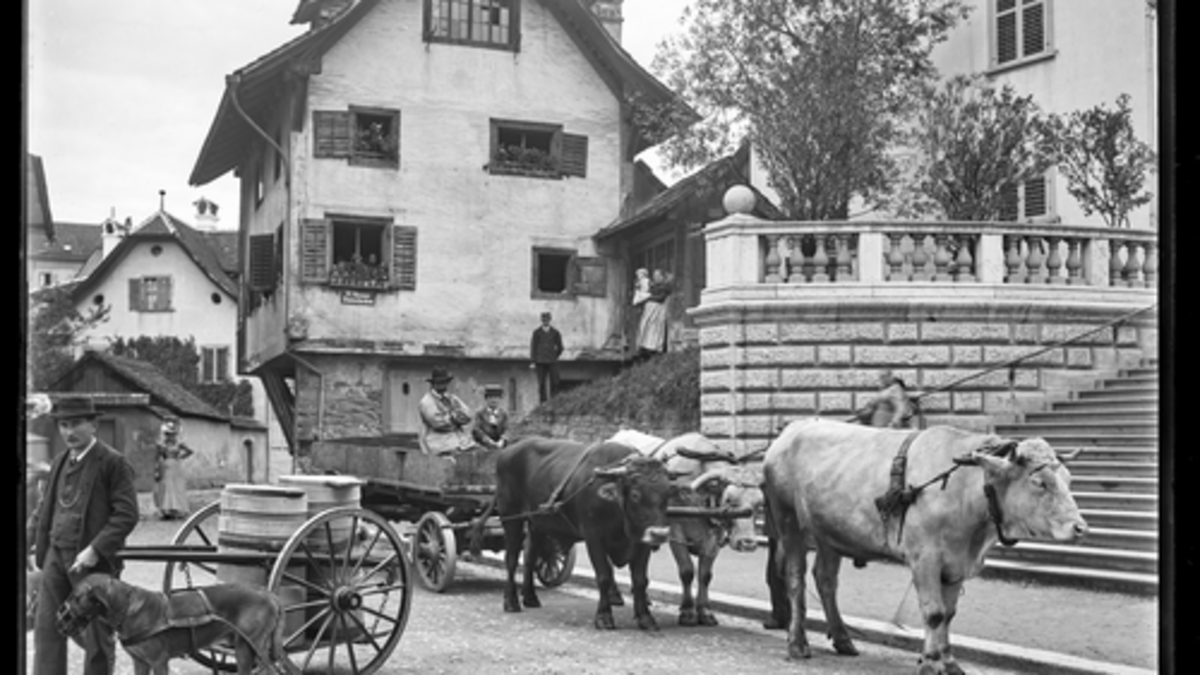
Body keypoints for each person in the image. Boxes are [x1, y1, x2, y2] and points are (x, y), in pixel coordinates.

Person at [33, 396, 139, 675]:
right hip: (56, 555)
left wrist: (95, 550)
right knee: (47, 629)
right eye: (64, 425)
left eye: (77, 423)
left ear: (94, 425)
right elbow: (45, 509)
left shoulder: (112, 462)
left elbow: (126, 515)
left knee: (97, 635)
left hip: (95, 563)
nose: (69, 432)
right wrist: (35, 544)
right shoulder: (59, 462)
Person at [418, 367, 477, 456]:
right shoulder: (427, 401)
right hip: (438, 442)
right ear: (433, 384)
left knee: (479, 452)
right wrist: (454, 417)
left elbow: (468, 414)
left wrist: (458, 418)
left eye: (444, 382)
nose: (442, 385)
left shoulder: (452, 398)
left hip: (460, 441)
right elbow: (437, 422)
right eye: (439, 382)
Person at [154, 416, 194, 520]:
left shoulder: (179, 443)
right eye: (167, 434)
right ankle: (166, 510)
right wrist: (157, 469)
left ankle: (177, 509)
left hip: (176, 467)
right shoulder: (161, 445)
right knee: (166, 486)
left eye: (171, 434)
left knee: (177, 487)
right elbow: (157, 457)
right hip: (165, 466)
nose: (169, 436)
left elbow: (190, 451)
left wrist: (180, 457)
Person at [634, 268, 672, 362]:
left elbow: (661, 298)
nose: (655, 278)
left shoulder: (665, 287)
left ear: (662, 277)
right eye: (654, 276)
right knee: (646, 329)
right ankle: (645, 349)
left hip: (658, 312)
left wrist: (648, 298)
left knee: (655, 331)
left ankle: (654, 350)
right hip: (649, 312)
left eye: (658, 276)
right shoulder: (652, 285)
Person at [530, 311, 564, 403]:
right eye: (544, 319)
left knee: (555, 381)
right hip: (540, 361)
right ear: (541, 320)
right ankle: (543, 402)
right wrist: (533, 361)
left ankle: (554, 401)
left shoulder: (555, 333)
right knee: (541, 383)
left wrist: (554, 355)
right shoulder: (537, 333)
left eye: (547, 319)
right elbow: (533, 347)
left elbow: (560, 347)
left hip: (552, 361)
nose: (545, 321)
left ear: (550, 320)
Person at [472, 384, 510, 450]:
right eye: (491, 397)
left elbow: (508, 429)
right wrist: (488, 441)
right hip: (483, 446)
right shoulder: (480, 413)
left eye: (496, 397)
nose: (493, 400)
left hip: (501, 446)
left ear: (500, 399)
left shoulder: (504, 414)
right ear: (486, 399)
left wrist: (502, 441)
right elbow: (476, 430)